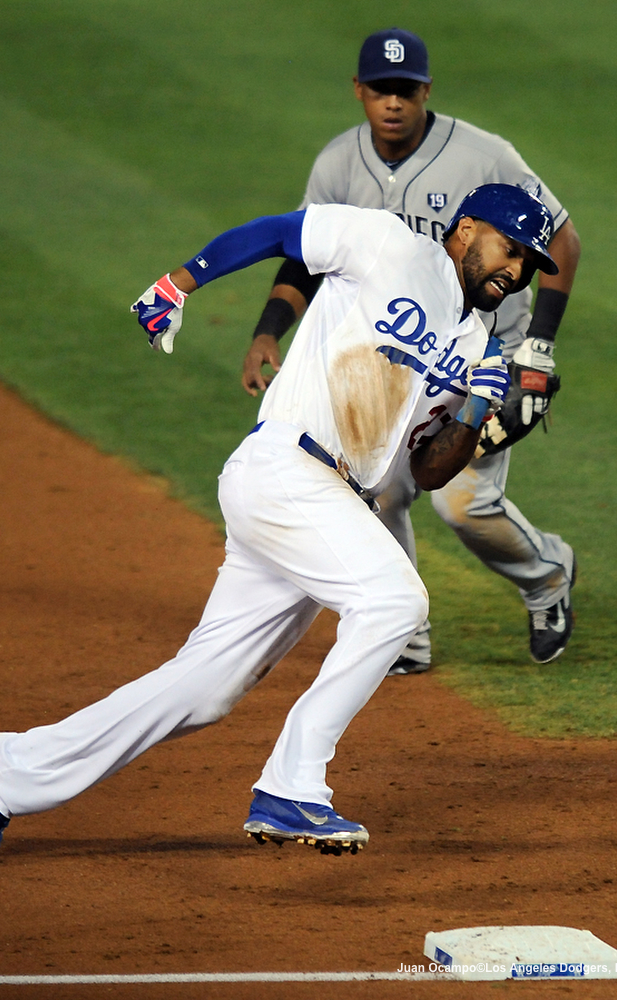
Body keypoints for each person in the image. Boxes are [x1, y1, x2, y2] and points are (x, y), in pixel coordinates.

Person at [0, 183, 558, 866]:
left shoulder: (478, 341)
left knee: (206, 687)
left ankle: (10, 770)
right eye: (509, 249)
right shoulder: (390, 245)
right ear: (466, 229)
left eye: (528, 264)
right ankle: (291, 783)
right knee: (395, 600)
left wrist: (477, 413)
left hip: (325, 501)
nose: (515, 272)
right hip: (285, 469)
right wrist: (178, 283)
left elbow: (425, 471)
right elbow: (282, 231)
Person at [242, 28, 582, 671]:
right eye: (381, 89)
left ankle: (546, 578)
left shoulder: (487, 156)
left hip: (484, 355)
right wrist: (268, 329)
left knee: (462, 503)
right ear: (359, 91)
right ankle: (405, 637)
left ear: (425, 90)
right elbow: (305, 253)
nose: (393, 102)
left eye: (406, 89)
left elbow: (561, 243)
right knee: (379, 487)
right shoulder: (338, 164)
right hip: (400, 356)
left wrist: (535, 353)